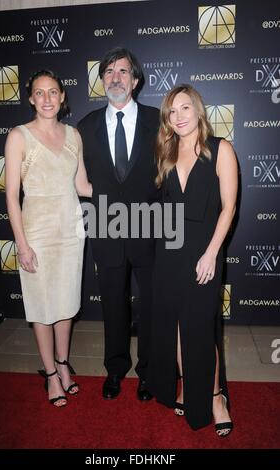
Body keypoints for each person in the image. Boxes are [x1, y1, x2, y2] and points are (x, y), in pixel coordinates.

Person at [147, 84, 238, 436]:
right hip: (169, 254)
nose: (179, 117)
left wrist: (212, 252)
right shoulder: (166, 152)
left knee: (200, 329)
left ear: (198, 111)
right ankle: (187, 385)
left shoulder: (220, 149)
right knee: (177, 330)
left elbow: (228, 207)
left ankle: (216, 397)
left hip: (205, 252)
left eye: (185, 108)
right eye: (172, 111)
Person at [5, 69, 92, 407]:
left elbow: (83, 186)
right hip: (37, 233)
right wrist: (22, 245)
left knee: (66, 306)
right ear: (30, 97)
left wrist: (122, 193)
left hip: (71, 232)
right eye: (39, 93)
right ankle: (51, 375)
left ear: (62, 97)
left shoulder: (74, 135)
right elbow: (12, 196)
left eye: (53, 92)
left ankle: (63, 364)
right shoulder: (18, 136)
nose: (46, 99)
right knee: (42, 308)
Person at [77, 47, 159, 400]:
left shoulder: (159, 121)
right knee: (112, 303)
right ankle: (114, 369)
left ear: (135, 80)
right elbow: (82, 182)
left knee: (152, 304)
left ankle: (149, 372)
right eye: (108, 71)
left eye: (122, 71)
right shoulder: (86, 126)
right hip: (107, 226)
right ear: (102, 81)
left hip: (152, 226)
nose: (115, 77)